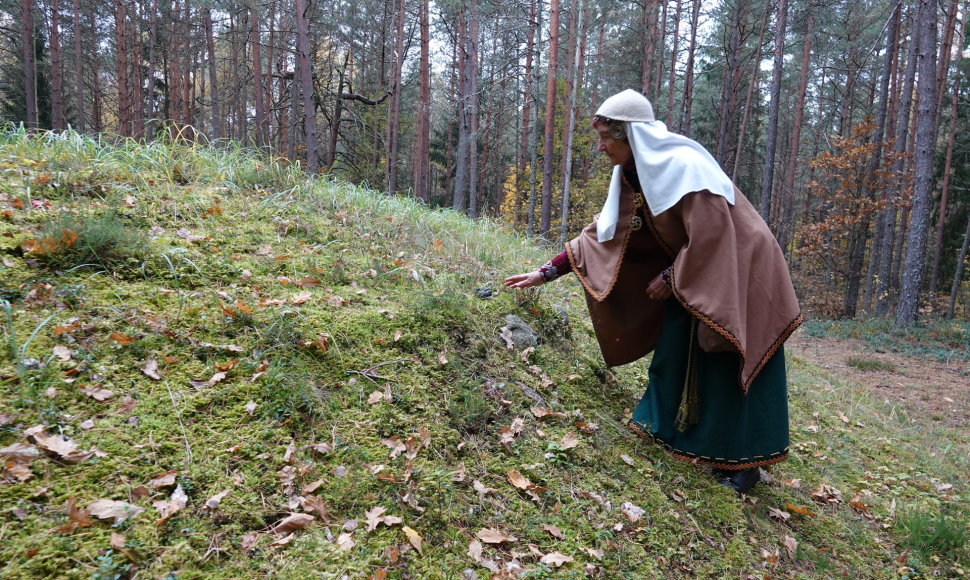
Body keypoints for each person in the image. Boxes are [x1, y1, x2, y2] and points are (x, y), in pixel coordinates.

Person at [504, 89, 802, 493]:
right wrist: (546, 272)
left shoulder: (685, 167)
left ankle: (744, 463)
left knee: (727, 352)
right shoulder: (634, 172)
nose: (601, 146)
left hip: (740, 270)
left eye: (607, 137)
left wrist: (670, 277)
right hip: (695, 271)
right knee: (679, 345)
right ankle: (675, 435)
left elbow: (714, 235)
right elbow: (602, 234)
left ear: (632, 136)